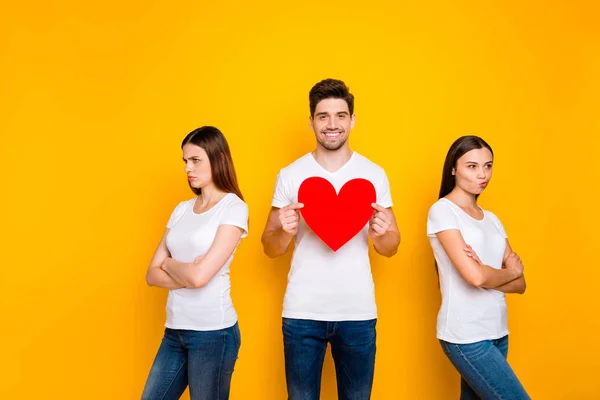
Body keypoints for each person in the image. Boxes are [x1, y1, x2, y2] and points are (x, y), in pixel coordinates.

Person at [261, 78, 401, 400]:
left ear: (352, 120)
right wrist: (284, 229)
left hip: (357, 314)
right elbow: (269, 247)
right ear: (311, 121)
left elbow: (391, 247)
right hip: (301, 314)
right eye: (323, 116)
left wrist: (382, 233)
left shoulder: (373, 174)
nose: (332, 124)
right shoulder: (290, 175)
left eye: (340, 115)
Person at [142, 126, 248, 400]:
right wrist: (187, 270)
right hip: (175, 331)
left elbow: (199, 278)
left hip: (213, 334)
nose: (188, 168)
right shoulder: (181, 210)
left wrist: (171, 264)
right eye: (185, 161)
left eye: (195, 160)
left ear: (218, 158)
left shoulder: (233, 208)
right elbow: (151, 275)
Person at [427, 135, 530, 399]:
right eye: (471, 166)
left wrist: (488, 273)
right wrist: (507, 272)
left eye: (488, 165)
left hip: (498, 332)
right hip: (466, 335)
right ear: (453, 168)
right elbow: (475, 277)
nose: (482, 174)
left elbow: (521, 285)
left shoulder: (492, 219)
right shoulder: (443, 211)